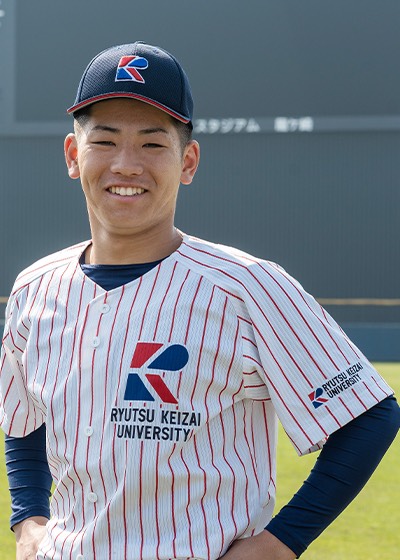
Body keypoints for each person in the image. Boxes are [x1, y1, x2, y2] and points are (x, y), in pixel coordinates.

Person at [0, 41, 399, 560]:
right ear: (74, 156)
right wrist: (28, 518)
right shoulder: (34, 290)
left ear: (187, 162)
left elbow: (369, 415)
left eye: (152, 143)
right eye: (105, 141)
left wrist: (282, 542)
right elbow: (22, 421)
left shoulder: (247, 286)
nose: (126, 164)